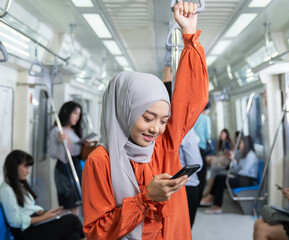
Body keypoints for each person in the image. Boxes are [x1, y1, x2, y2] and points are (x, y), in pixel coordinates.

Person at [81, 1, 208, 239]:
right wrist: (146, 198)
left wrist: (189, 36)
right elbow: (96, 232)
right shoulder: (100, 161)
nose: (156, 129)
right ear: (124, 111)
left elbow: (191, 98)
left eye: (163, 120)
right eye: (148, 118)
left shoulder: (163, 147)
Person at [0, 150, 85, 240]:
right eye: (25, 167)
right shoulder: (6, 190)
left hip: (34, 224)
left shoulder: (20, 184)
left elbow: (29, 208)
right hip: (26, 232)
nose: (28, 171)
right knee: (72, 219)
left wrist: (45, 212)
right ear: (14, 167)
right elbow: (14, 221)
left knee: (73, 235)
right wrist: (44, 217)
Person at [163, 70, 203, 228]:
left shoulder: (155, 127)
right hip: (186, 187)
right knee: (183, 231)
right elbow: (196, 162)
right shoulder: (185, 129)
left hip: (163, 187)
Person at [200, 135, 259, 214]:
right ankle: (212, 199)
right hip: (241, 177)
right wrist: (233, 160)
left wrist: (233, 175)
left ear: (246, 144)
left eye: (241, 143)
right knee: (219, 177)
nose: (239, 145)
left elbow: (244, 172)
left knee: (221, 179)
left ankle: (216, 204)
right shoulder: (244, 155)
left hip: (246, 180)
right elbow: (237, 169)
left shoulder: (251, 156)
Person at [49, 101, 88, 216]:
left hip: (76, 165)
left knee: (77, 201)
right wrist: (62, 143)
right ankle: (68, 228)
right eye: (75, 113)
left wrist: (84, 146)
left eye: (79, 115)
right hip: (64, 167)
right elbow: (52, 153)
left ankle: (75, 229)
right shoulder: (57, 131)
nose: (77, 117)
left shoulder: (74, 131)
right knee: (68, 203)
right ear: (66, 112)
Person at [194, 103, 212, 202]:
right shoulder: (205, 118)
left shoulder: (194, 116)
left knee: (194, 174)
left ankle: (194, 197)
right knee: (202, 174)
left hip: (192, 148)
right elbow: (208, 135)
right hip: (201, 148)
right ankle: (199, 199)